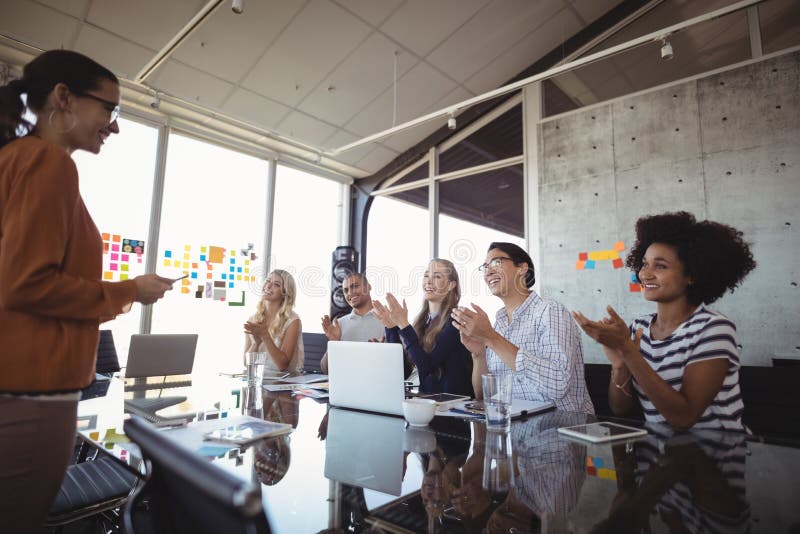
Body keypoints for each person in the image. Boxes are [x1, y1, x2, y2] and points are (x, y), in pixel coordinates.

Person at [0, 50, 173, 533]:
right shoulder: (49, 163)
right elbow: (26, 285)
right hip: (33, 395)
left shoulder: (14, 159)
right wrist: (129, 291)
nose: (114, 126)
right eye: (109, 109)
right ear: (63, 98)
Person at [572, 212, 756, 431]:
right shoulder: (639, 328)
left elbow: (684, 418)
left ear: (692, 274)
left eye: (660, 266)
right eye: (644, 264)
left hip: (716, 455)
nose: (645, 274)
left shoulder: (714, 329)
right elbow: (620, 409)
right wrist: (620, 365)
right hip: (659, 455)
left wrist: (627, 349)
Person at [452, 242, 594, 413]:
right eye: (485, 266)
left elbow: (558, 384)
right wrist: (479, 354)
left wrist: (492, 338)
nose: (488, 272)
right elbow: (483, 397)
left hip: (561, 429)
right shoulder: (499, 324)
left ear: (522, 268)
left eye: (496, 262)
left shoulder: (549, 311)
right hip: (513, 429)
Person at [373, 259, 474, 397]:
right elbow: (402, 372)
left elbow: (427, 367)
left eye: (437, 276)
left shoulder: (456, 321)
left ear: (451, 285)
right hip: (428, 406)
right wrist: (391, 328)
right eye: (426, 275)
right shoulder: (423, 323)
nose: (429, 281)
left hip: (453, 409)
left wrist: (403, 325)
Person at [319, 272, 384, 374]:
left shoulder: (387, 321)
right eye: (346, 290)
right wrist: (334, 342)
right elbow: (325, 370)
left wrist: (384, 352)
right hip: (346, 384)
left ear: (368, 287)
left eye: (355, 286)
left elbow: (404, 368)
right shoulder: (339, 324)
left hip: (378, 383)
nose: (350, 293)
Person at [243, 269, 304, 373]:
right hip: (259, 380)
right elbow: (246, 363)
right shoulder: (253, 319)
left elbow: (283, 365)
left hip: (283, 383)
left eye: (276, 284)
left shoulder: (293, 321)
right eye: (267, 281)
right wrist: (256, 344)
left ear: (285, 293)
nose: (268, 286)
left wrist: (265, 336)